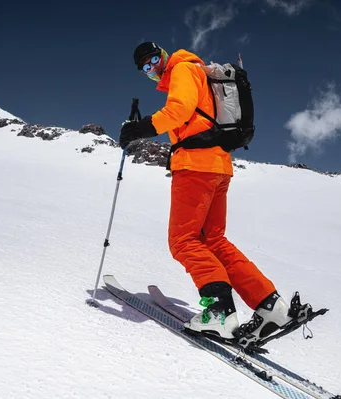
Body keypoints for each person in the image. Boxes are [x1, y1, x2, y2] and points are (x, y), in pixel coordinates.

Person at [119, 42, 294, 344]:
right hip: (217, 166)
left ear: (164, 54)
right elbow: (192, 114)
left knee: (183, 240)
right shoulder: (197, 72)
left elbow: (179, 110)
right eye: (146, 67)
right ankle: (269, 304)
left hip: (196, 166)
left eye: (155, 59)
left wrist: (142, 128)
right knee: (213, 240)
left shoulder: (182, 69)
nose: (153, 68)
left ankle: (219, 313)